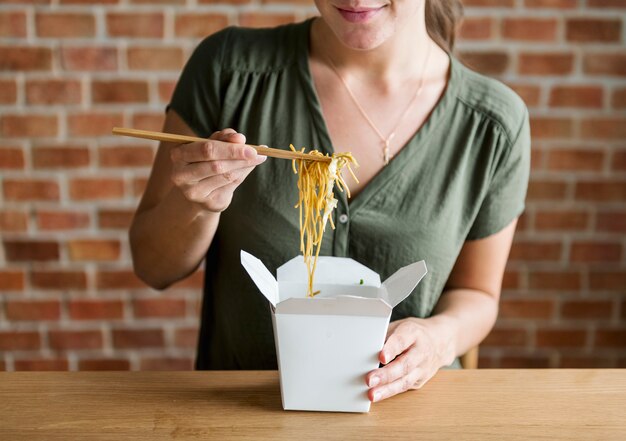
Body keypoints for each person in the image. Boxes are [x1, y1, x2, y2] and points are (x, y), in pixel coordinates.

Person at [129, 0, 530, 403]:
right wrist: (197, 203)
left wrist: (439, 338)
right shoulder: (227, 70)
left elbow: (477, 293)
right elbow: (152, 267)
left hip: (409, 417)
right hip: (243, 413)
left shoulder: (494, 124)